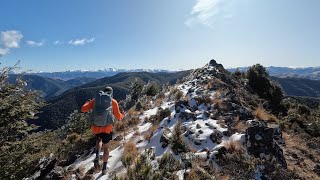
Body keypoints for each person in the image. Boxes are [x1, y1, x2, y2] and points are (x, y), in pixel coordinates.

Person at [81, 86, 124, 175]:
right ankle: (104, 168)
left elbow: (83, 109)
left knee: (99, 139)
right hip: (107, 128)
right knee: (106, 147)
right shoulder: (113, 101)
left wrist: (87, 103)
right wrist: (122, 115)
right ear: (111, 93)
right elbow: (118, 117)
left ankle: (97, 155)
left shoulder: (95, 100)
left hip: (96, 127)